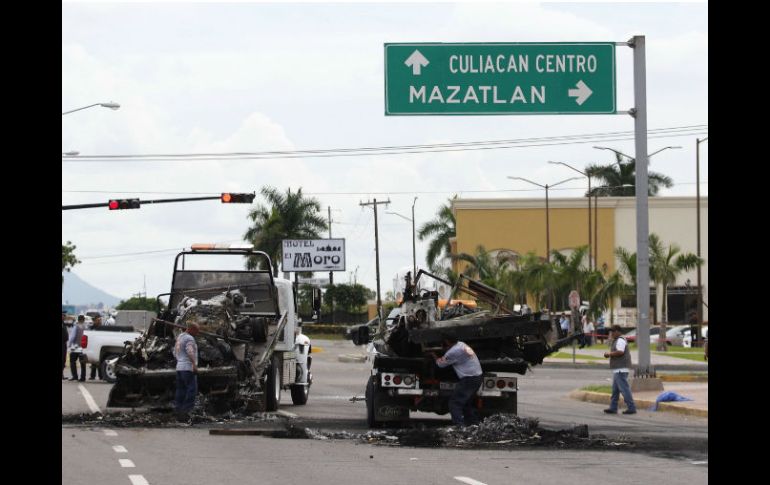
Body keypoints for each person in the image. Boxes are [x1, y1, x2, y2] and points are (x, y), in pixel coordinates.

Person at [431, 334, 483, 426]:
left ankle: (459, 426)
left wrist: (433, 355)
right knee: (466, 403)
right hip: (477, 377)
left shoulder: (453, 352)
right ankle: (473, 424)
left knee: (454, 403)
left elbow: (440, 364)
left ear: (447, 341)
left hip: (469, 379)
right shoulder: (461, 344)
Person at [603, 325, 637, 415]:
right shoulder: (617, 340)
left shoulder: (620, 340)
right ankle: (613, 408)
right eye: (611, 332)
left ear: (618, 331)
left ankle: (631, 407)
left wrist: (609, 354)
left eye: (613, 332)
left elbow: (620, 352)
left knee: (624, 389)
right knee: (615, 390)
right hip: (618, 369)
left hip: (621, 369)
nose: (612, 334)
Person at [174, 323, 200, 420]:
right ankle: (186, 411)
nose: (197, 333)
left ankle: (178, 410)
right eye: (196, 331)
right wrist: (194, 365)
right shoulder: (189, 338)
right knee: (192, 389)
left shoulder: (180, 337)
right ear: (191, 329)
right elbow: (190, 351)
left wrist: (180, 360)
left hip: (179, 367)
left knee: (180, 389)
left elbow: (175, 352)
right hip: (188, 368)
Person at [68, 315, 87, 382]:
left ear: (78, 320)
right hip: (83, 348)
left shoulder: (76, 327)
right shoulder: (86, 327)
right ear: (83, 320)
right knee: (83, 363)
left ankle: (75, 376)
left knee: (72, 361)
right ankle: (83, 377)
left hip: (75, 347)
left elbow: (72, 337)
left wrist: (69, 344)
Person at [88, 315, 104, 380]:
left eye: (99, 320)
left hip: (100, 346)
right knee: (93, 362)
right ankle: (92, 376)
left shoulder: (102, 328)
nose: (99, 321)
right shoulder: (92, 327)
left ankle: (101, 376)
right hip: (93, 346)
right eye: (97, 320)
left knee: (100, 361)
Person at [62, 311, 69, 380]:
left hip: (64, 344)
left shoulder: (63, 323)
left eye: (65, 315)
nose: (64, 316)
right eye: (63, 315)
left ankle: (62, 374)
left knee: (63, 359)